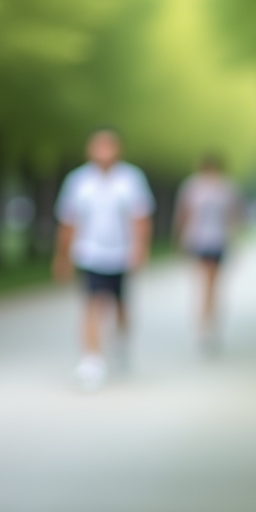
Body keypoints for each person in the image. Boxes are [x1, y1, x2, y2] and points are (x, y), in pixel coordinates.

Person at [52, 130, 154, 391]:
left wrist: (140, 248)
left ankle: (120, 343)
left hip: (121, 254)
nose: (103, 151)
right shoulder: (78, 181)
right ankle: (92, 360)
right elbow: (68, 220)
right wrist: (62, 256)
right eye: (98, 146)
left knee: (120, 305)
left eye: (109, 146)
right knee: (92, 303)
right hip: (89, 253)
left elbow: (140, 217)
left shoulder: (131, 179)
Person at [174, 153, 242, 348]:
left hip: (218, 241)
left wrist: (233, 239)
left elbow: (233, 216)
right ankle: (204, 326)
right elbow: (184, 213)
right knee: (204, 284)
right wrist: (179, 239)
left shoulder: (227, 188)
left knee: (212, 285)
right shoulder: (192, 186)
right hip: (198, 240)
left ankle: (209, 325)